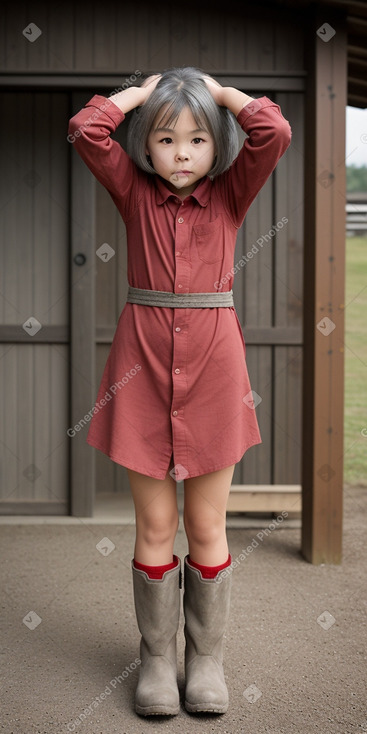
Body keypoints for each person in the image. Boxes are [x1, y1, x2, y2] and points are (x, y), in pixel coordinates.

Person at [68, 66, 291, 717]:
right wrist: (143, 92)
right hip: (141, 366)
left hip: (215, 367)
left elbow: (271, 129)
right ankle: (157, 662)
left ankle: (207, 662)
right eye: (165, 139)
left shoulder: (229, 194)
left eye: (197, 139)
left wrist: (218, 93)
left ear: (216, 145)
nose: (182, 154)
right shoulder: (133, 192)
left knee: (205, 523)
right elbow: (87, 127)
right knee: (155, 524)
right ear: (146, 145)